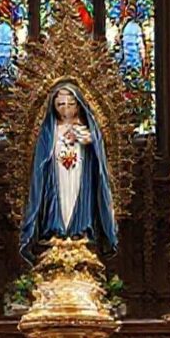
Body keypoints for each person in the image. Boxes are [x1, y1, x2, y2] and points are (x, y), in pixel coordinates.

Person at [19, 82, 118, 262]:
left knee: (77, 195)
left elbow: (98, 155)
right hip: (55, 178)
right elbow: (41, 160)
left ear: (79, 105)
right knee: (59, 198)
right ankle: (55, 231)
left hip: (81, 176)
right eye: (61, 104)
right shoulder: (49, 130)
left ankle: (80, 231)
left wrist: (85, 138)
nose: (66, 109)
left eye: (70, 104)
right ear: (54, 106)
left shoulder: (87, 127)